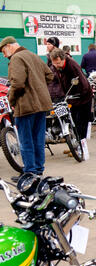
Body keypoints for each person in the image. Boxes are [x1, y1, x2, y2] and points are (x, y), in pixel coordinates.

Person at [0, 36, 54, 177]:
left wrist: (11, 100)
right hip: (41, 105)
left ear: (10, 46)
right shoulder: (33, 56)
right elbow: (49, 75)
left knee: (25, 141)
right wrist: (37, 87)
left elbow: (17, 83)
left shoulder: (16, 59)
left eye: (3, 52)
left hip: (25, 107)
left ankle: (30, 172)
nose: (4, 55)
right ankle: (38, 169)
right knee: (38, 139)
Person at [50, 48, 93, 142]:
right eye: (54, 63)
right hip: (71, 98)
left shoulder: (72, 67)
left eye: (58, 63)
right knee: (72, 121)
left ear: (63, 59)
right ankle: (74, 145)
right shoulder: (58, 67)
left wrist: (80, 95)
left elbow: (83, 83)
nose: (56, 66)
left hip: (83, 98)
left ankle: (81, 147)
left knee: (81, 123)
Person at [45, 36, 65, 102]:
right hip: (50, 91)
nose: (47, 46)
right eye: (47, 44)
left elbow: (58, 75)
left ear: (54, 46)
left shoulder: (59, 58)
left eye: (49, 44)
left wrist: (48, 75)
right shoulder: (49, 58)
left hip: (58, 93)